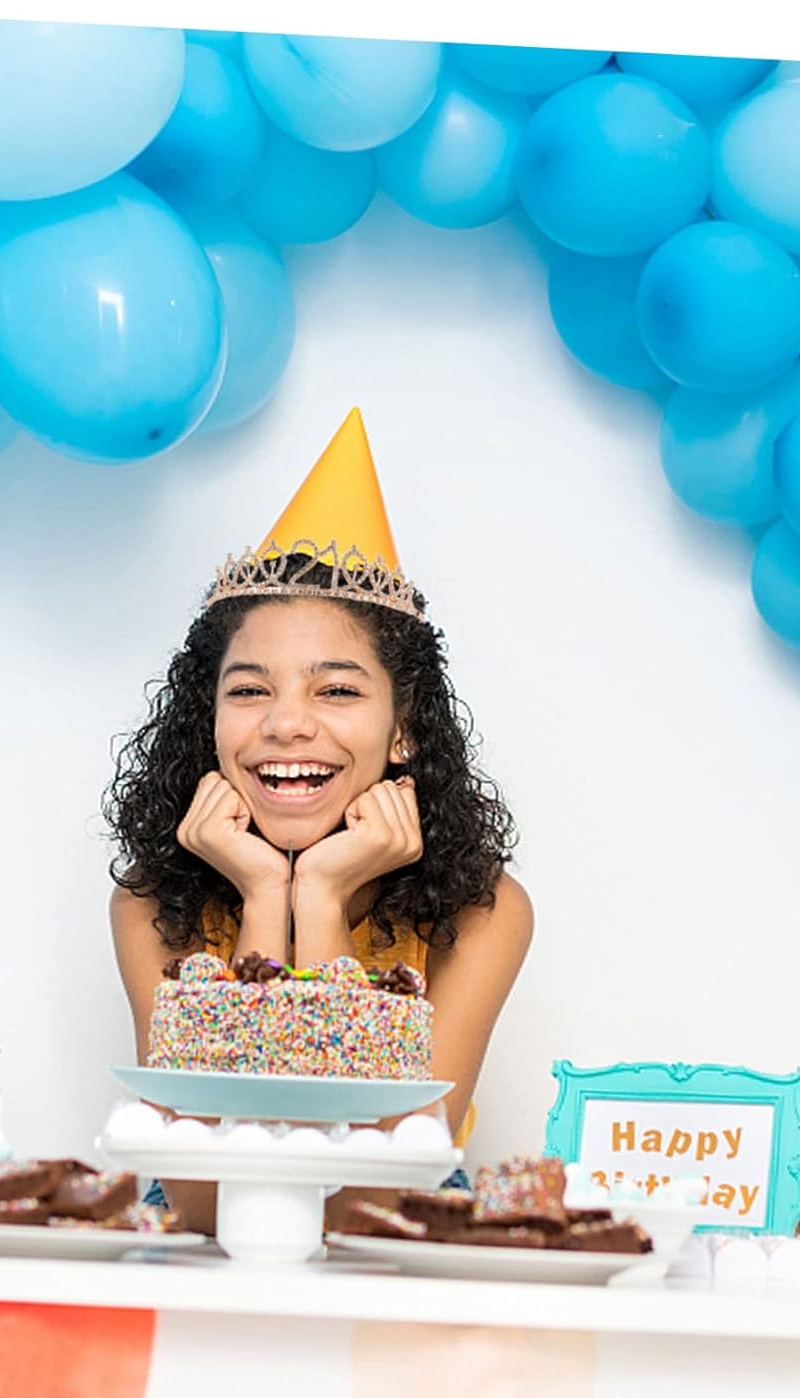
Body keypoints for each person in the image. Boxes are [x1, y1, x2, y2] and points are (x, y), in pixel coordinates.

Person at [104, 408, 533, 1236]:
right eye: (248, 689)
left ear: (403, 728)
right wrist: (267, 897)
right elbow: (203, 1201)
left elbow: (372, 1199)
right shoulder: (148, 906)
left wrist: (323, 901)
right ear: (207, 722)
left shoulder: (484, 913)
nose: (286, 723)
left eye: (336, 690)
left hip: (398, 1260)